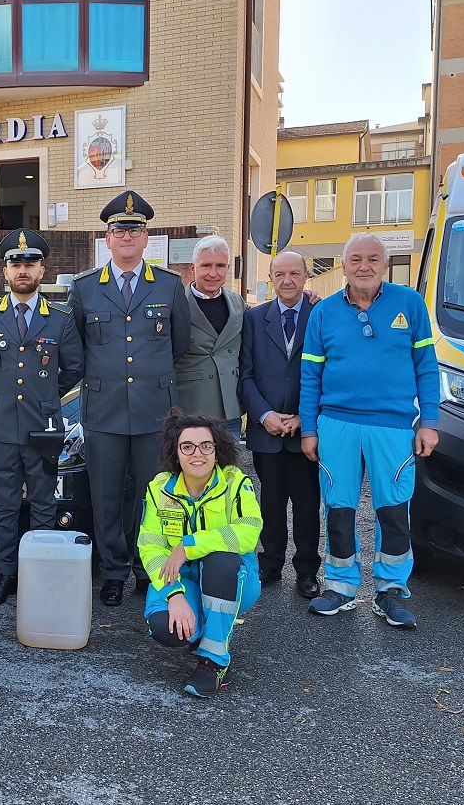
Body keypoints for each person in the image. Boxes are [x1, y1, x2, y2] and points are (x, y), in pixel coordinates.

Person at [300, 233, 440, 628]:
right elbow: (310, 376)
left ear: (386, 263)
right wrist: (309, 429)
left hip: (393, 426)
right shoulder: (324, 312)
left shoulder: (410, 304)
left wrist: (429, 421)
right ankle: (341, 586)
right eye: (356, 259)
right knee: (339, 507)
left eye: (373, 259)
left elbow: (427, 368)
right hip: (336, 425)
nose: (365, 266)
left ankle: (391, 589)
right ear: (343, 265)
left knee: (393, 509)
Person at [67, 190, 190, 606]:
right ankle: (115, 571)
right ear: (107, 238)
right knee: (105, 495)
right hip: (103, 411)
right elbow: (76, 346)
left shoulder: (170, 286)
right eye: (118, 230)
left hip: (156, 411)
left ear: (145, 238)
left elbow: (180, 343)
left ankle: (148, 567)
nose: (125, 237)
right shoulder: (84, 289)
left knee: (153, 495)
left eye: (133, 231)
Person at [0, 229, 84, 606]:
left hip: (43, 425)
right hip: (1, 425)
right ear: (5, 272)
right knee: (3, 503)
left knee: (44, 502)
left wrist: (45, 396)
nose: (22, 271)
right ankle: (6, 575)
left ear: (42, 270)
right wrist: (1, 395)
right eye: (15, 264)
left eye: (29, 264)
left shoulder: (61, 317)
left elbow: (73, 368)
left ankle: (40, 574)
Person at [137, 411, 262, 697]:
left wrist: (188, 546)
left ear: (217, 452)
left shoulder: (236, 484)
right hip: (179, 578)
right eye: (187, 446)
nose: (198, 454)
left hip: (233, 577)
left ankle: (214, 660)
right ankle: (204, 625)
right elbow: (150, 546)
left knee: (220, 562)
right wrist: (174, 594)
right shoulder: (159, 489)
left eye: (206, 446)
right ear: (176, 452)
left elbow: (249, 531)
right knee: (165, 628)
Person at [239, 251, 323, 599]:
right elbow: (245, 375)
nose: (287, 281)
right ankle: (270, 563)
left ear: (306, 276)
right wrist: (265, 416)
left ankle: (306, 571)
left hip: (307, 430)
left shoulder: (321, 315)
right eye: (280, 274)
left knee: (307, 505)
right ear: (271, 278)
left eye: (294, 273)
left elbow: (329, 372)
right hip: (267, 430)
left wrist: (306, 417)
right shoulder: (254, 318)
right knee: (269, 503)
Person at [174, 235, 247, 438]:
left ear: (228, 268)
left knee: (229, 470)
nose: (213, 273)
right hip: (189, 410)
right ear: (193, 268)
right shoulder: (176, 304)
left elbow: (268, 317)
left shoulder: (237, 303)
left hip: (229, 410)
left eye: (220, 266)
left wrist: (302, 297)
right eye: (206, 265)